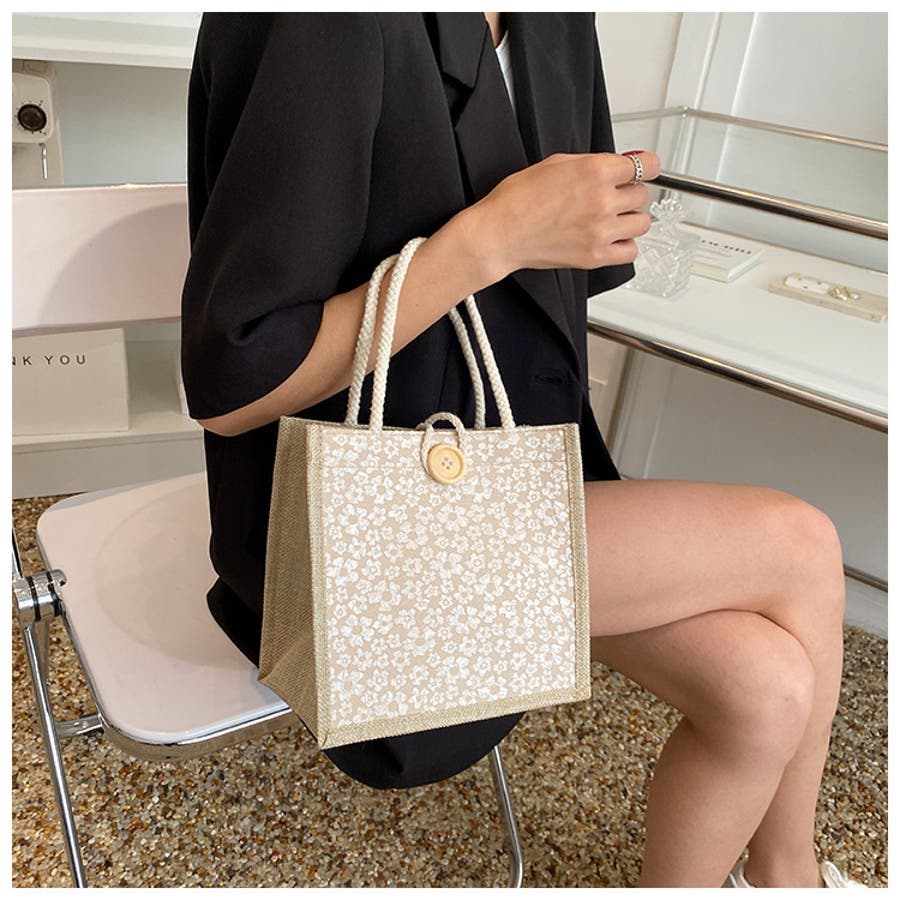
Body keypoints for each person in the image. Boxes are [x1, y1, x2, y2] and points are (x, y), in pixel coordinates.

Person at [180, 12, 863, 889]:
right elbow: (233, 395)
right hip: (347, 525)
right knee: (801, 545)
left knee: (765, 690)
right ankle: (791, 877)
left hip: (513, 469)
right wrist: (490, 239)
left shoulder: (556, 18)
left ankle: (769, 878)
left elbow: (573, 269)